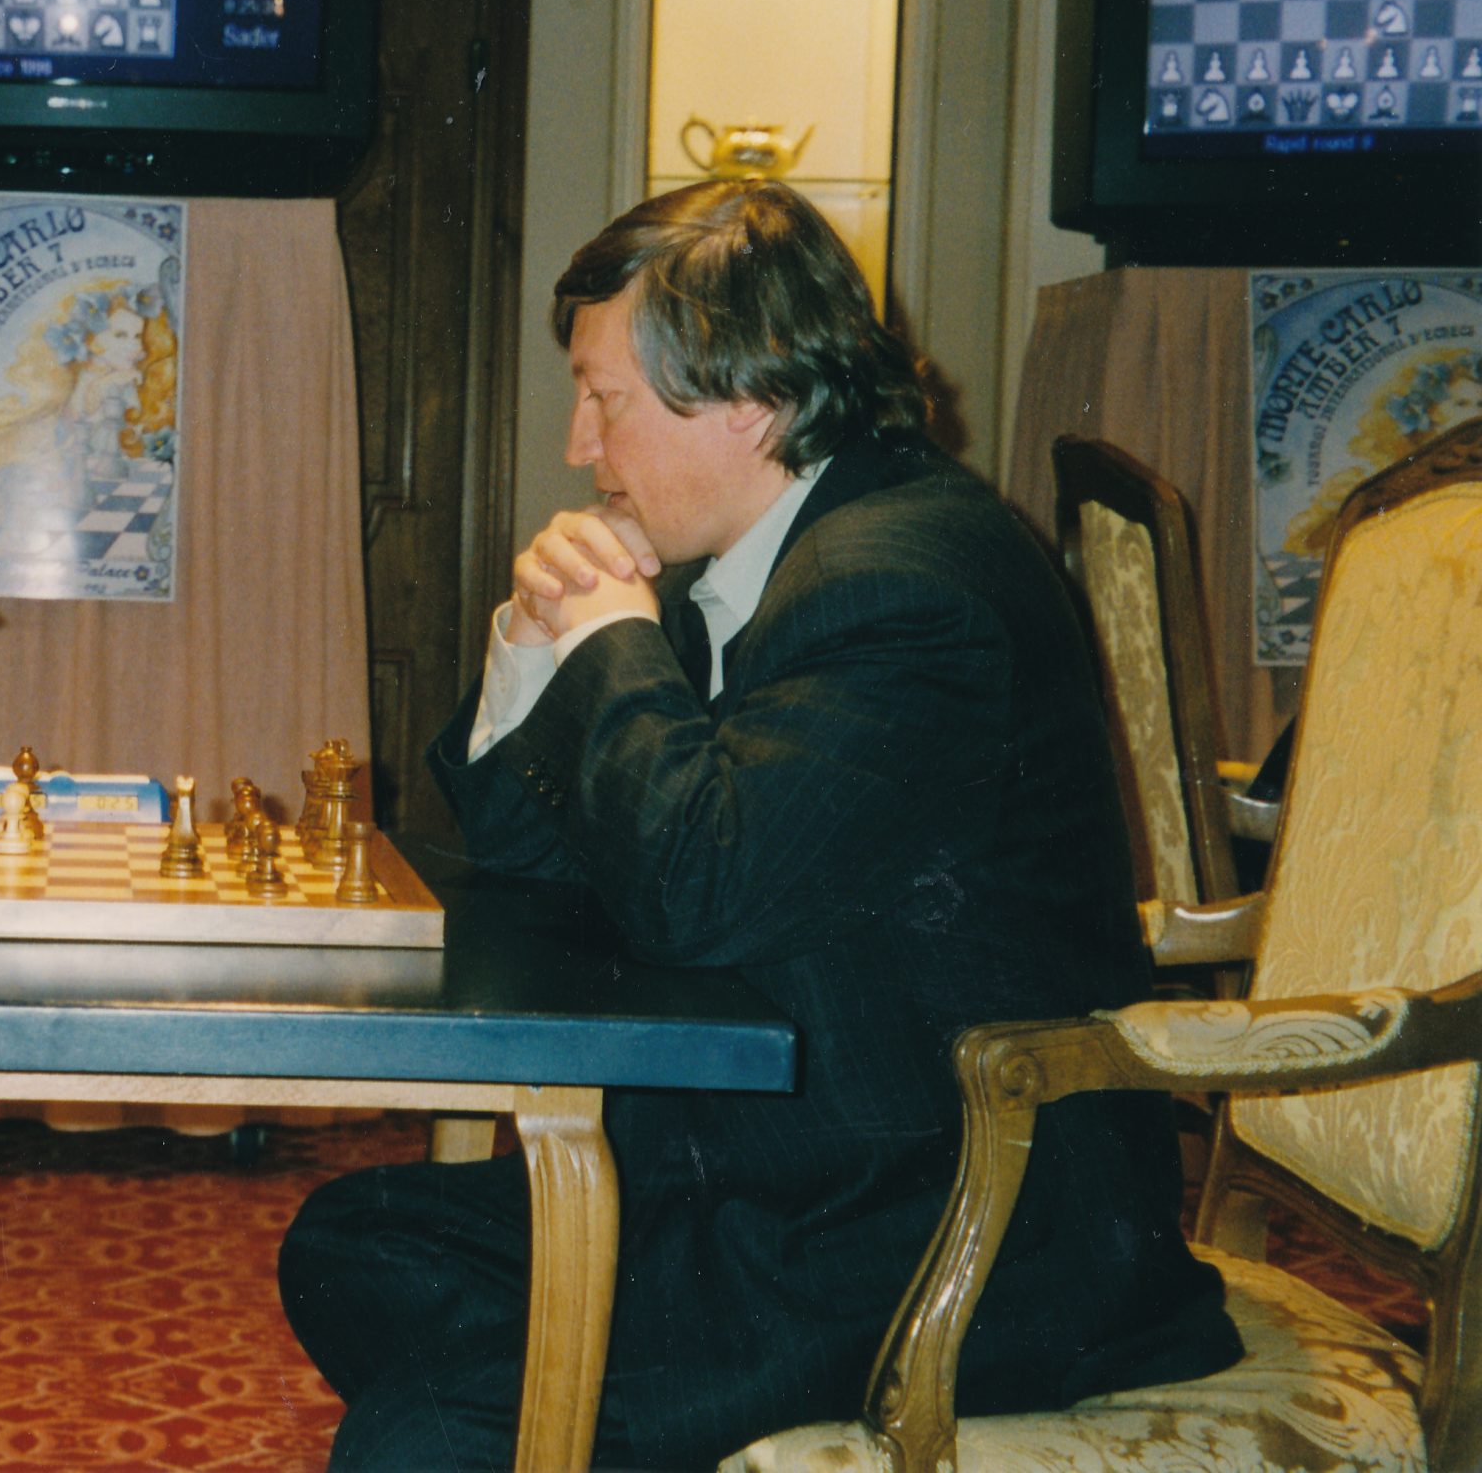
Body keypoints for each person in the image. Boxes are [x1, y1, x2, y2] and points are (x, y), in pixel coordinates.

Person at [277, 178, 1239, 1470]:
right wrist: (529, 647)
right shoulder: (756, 558)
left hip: (937, 1236)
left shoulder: (906, 586)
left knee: (420, 1441)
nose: (579, 445)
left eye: (605, 398)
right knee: (354, 1243)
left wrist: (610, 638)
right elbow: (513, 864)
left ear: (752, 397)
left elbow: (695, 887)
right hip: (760, 1184)